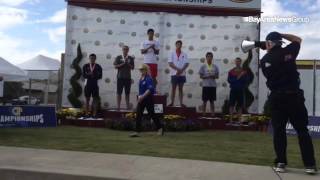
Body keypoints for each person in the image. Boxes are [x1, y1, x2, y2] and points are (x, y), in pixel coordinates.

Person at [259, 32, 317, 174]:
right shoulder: (289, 51)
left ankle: (281, 162)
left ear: (269, 43)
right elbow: (298, 39)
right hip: (294, 97)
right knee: (302, 131)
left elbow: (270, 73)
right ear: (279, 42)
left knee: (279, 132)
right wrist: (282, 34)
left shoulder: (265, 59)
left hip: (277, 98)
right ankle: (310, 165)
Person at [130, 64, 164, 137]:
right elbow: (140, 90)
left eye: (142, 69)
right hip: (142, 99)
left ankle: (160, 129)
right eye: (140, 70)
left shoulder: (148, 78)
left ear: (146, 70)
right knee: (138, 114)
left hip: (148, 99)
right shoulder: (141, 78)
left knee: (152, 114)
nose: (141, 71)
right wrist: (140, 97)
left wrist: (142, 96)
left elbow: (149, 89)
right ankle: (137, 131)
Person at [168, 40, 189, 107]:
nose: (179, 45)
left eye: (180, 44)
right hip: (174, 74)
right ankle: (172, 102)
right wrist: (177, 69)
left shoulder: (184, 54)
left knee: (180, 89)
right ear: (175, 45)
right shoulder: (171, 53)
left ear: (181, 45)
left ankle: (181, 103)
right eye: (177, 44)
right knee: (173, 88)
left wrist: (181, 70)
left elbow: (186, 63)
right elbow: (170, 63)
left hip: (182, 74)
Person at [114, 45, 135, 110]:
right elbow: (115, 66)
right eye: (124, 49)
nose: (125, 50)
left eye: (126, 49)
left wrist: (127, 63)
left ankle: (127, 107)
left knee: (127, 93)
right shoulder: (118, 57)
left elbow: (132, 67)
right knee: (119, 92)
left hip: (128, 78)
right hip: (120, 77)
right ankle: (118, 107)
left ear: (128, 50)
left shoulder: (131, 58)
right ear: (122, 50)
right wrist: (123, 63)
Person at [199, 52, 219, 116]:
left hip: (213, 86)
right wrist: (207, 76)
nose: (209, 58)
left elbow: (217, 76)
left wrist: (213, 76)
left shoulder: (215, 66)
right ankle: (203, 113)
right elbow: (201, 76)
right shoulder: (203, 66)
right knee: (204, 101)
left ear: (212, 58)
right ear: (206, 58)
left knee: (212, 101)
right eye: (208, 57)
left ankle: (212, 114)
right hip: (205, 85)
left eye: (210, 57)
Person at [82, 54, 102, 118]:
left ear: (95, 59)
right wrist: (89, 75)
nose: (92, 59)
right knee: (87, 99)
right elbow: (83, 75)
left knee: (95, 99)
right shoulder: (85, 66)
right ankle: (87, 114)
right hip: (87, 84)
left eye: (93, 58)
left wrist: (94, 75)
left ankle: (94, 114)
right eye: (91, 58)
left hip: (95, 84)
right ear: (89, 58)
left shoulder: (98, 66)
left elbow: (100, 76)